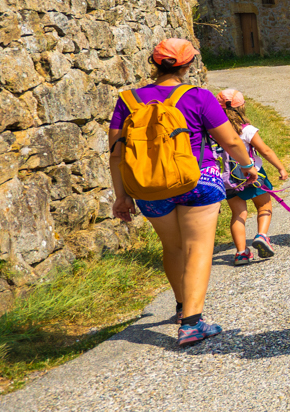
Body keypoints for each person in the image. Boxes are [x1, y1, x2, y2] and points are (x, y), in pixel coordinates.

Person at [109, 39, 261, 348]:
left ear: (154, 63)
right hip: (197, 180)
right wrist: (248, 167)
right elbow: (231, 140)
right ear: (188, 65)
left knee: (173, 248)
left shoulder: (128, 100)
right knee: (198, 248)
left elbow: (116, 153)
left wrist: (122, 196)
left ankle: (181, 306)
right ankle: (192, 323)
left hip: (150, 187)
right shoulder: (198, 97)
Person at [219, 89, 288, 266]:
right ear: (242, 107)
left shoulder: (215, 132)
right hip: (252, 174)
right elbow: (265, 150)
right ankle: (262, 236)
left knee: (238, 214)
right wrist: (280, 168)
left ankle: (241, 253)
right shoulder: (246, 130)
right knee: (264, 205)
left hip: (229, 179)